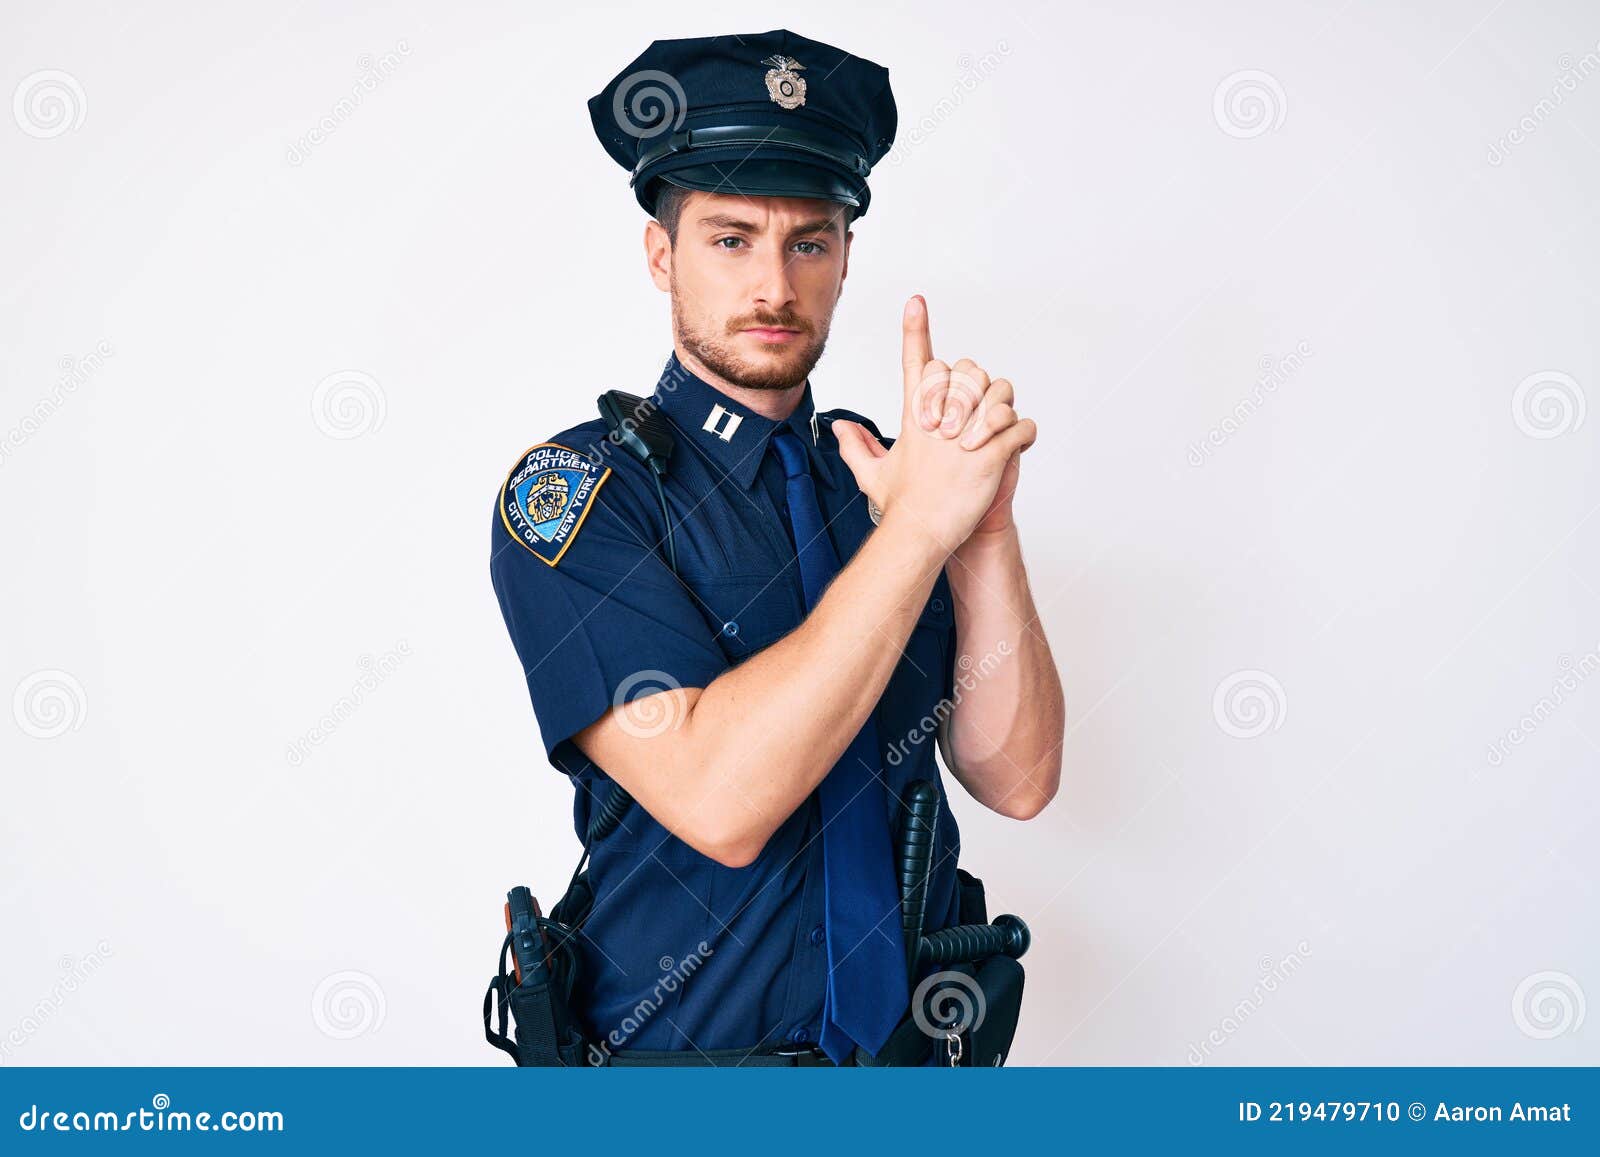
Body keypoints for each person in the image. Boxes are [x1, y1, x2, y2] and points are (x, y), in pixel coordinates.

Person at [489, 28, 1065, 1066]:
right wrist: (920, 530)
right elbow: (722, 799)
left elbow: (1016, 775)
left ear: (846, 256)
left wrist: (980, 529)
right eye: (730, 238)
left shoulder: (891, 478)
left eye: (810, 240)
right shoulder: (576, 496)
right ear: (661, 253)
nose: (775, 284)